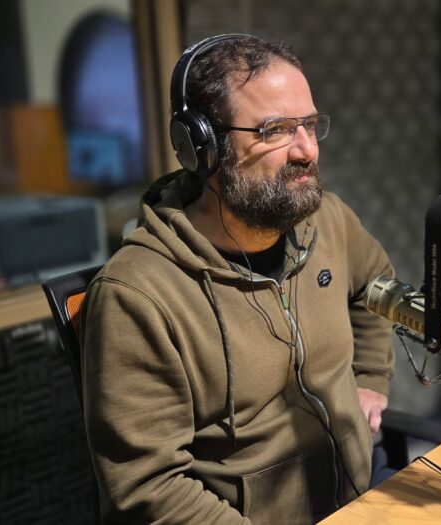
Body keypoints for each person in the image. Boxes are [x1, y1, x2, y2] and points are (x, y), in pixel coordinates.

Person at [81, 34, 395, 524]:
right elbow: (149, 489)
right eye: (276, 130)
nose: (307, 150)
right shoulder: (138, 295)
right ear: (202, 147)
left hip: (362, 491)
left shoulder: (328, 222)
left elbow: (376, 284)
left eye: (310, 125)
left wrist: (372, 377)